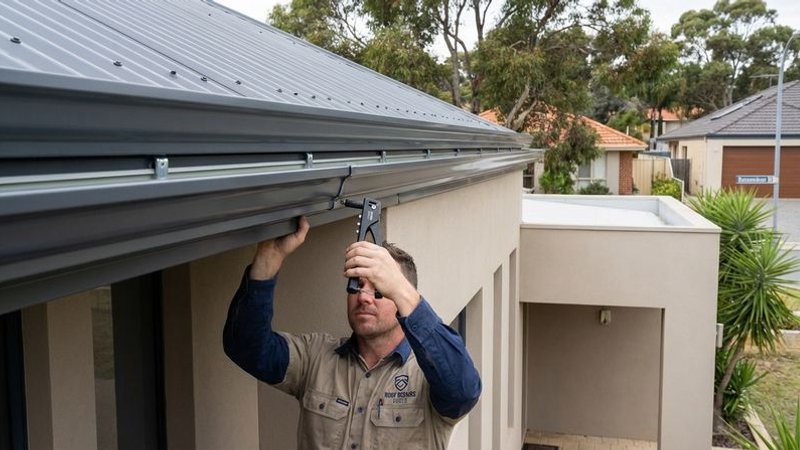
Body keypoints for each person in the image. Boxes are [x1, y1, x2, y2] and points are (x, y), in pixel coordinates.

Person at [223, 216, 481, 450]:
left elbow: (464, 391)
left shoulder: (426, 375)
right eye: (357, 285)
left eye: (379, 289)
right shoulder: (315, 357)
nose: (364, 297)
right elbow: (246, 347)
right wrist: (269, 258)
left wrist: (403, 291)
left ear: (399, 296)